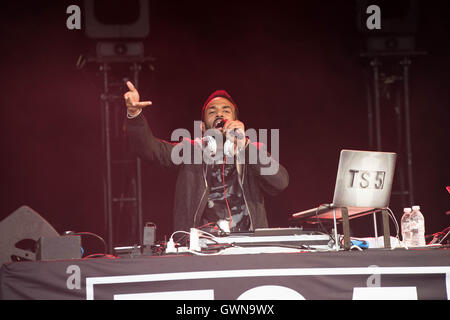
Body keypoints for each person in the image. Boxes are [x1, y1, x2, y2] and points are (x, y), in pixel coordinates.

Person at [124, 81, 288, 235]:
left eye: (226, 110)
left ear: (236, 121)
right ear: (202, 127)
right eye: (212, 111)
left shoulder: (252, 150)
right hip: (203, 245)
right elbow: (148, 148)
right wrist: (134, 114)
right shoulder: (191, 151)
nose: (219, 113)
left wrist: (244, 145)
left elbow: (280, 182)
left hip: (248, 243)